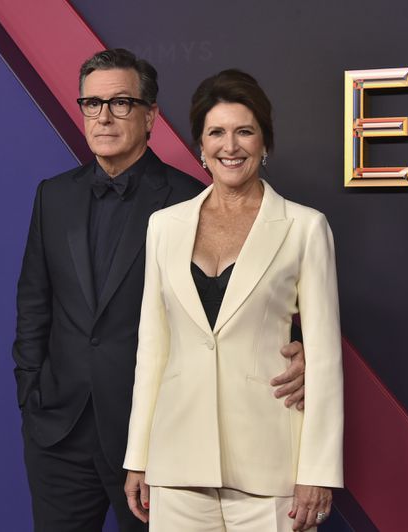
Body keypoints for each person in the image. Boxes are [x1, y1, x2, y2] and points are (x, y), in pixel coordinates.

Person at [13, 49, 309, 532]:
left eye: (121, 103)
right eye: (92, 103)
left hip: (154, 441)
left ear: (151, 115)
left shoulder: (190, 201)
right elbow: (33, 303)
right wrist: (31, 391)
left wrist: (305, 352)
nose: (104, 117)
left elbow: (241, 308)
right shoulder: (53, 195)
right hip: (58, 431)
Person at [123, 69, 344, 532]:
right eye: (216, 133)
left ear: (265, 144)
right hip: (177, 465)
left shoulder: (305, 227)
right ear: (200, 147)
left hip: (270, 470)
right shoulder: (164, 226)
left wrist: (317, 472)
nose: (231, 145)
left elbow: (323, 359)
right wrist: (139, 456)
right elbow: (152, 351)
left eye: (245, 131)